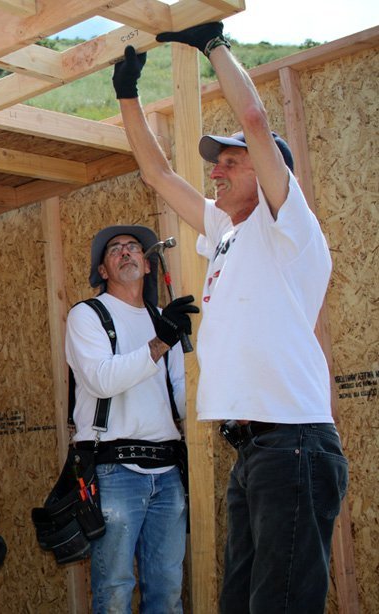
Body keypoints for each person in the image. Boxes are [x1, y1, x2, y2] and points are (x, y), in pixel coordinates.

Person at [112, 23, 349, 613]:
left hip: (293, 445)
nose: (215, 171)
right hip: (256, 452)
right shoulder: (226, 233)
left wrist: (212, 43)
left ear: (271, 174)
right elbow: (158, 176)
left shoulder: (286, 228)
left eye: (230, 164)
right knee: (242, 602)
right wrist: (126, 98)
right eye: (215, 164)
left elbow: (253, 118)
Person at [66, 225, 195, 613]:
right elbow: (102, 380)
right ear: (102, 271)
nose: (126, 253)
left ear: (148, 264)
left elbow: (182, 394)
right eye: (115, 250)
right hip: (113, 470)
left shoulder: (162, 318)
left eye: (134, 248)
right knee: (115, 592)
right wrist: (161, 342)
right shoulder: (87, 315)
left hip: (168, 471)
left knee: (167, 590)